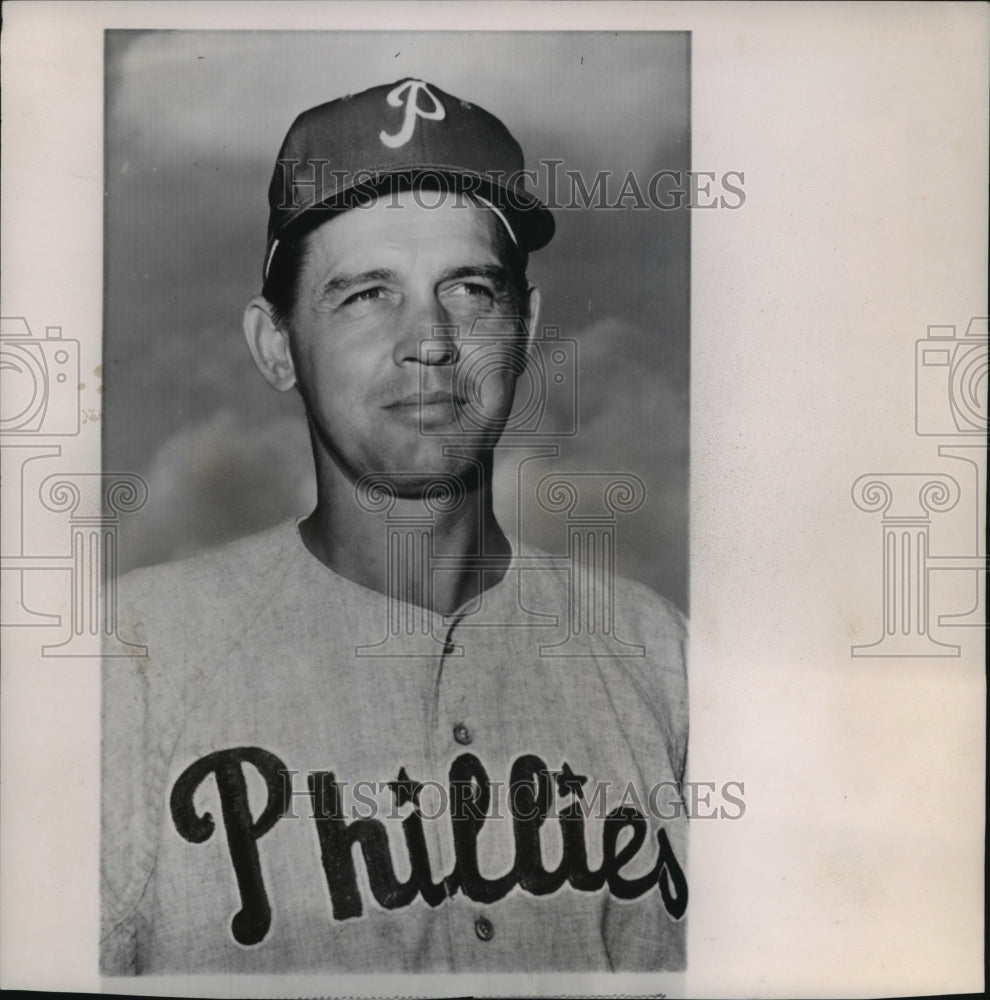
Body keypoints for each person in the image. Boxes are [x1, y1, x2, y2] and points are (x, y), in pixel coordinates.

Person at [101, 78, 688, 976]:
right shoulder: (132, 662)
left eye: (470, 288)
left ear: (524, 326)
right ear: (274, 344)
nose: (433, 340)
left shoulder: (659, 654)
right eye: (366, 293)